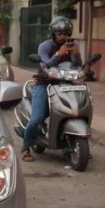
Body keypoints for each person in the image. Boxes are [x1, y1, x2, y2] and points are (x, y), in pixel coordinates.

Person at [21, 16, 82, 162]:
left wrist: (75, 54)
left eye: (66, 33)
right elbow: (45, 65)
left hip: (64, 83)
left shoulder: (72, 46)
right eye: (59, 33)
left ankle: (75, 143)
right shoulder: (45, 46)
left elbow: (77, 65)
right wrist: (58, 54)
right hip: (44, 84)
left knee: (75, 110)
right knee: (37, 118)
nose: (63, 37)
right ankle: (26, 147)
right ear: (53, 34)